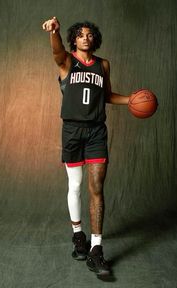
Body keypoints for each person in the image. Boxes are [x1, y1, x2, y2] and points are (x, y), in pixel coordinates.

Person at [42, 17, 130, 276]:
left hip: (96, 133)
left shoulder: (103, 65)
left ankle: (96, 249)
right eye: (80, 34)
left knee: (96, 189)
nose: (85, 37)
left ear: (95, 38)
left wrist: (132, 100)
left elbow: (109, 96)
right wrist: (54, 32)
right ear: (74, 39)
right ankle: (78, 235)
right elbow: (57, 52)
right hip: (71, 131)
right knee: (76, 185)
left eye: (89, 34)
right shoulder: (67, 61)